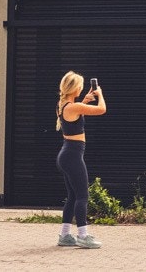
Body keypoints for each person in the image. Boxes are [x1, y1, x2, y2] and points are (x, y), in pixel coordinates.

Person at [55, 71, 107, 249]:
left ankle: (64, 235)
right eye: (80, 85)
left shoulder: (64, 105)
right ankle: (83, 236)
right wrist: (99, 95)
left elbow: (74, 116)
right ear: (74, 87)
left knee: (72, 196)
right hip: (72, 156)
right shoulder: (73, 107)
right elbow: (101, 110)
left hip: (67, 154)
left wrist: (83, 102)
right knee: (82, 196)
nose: (82, 87)